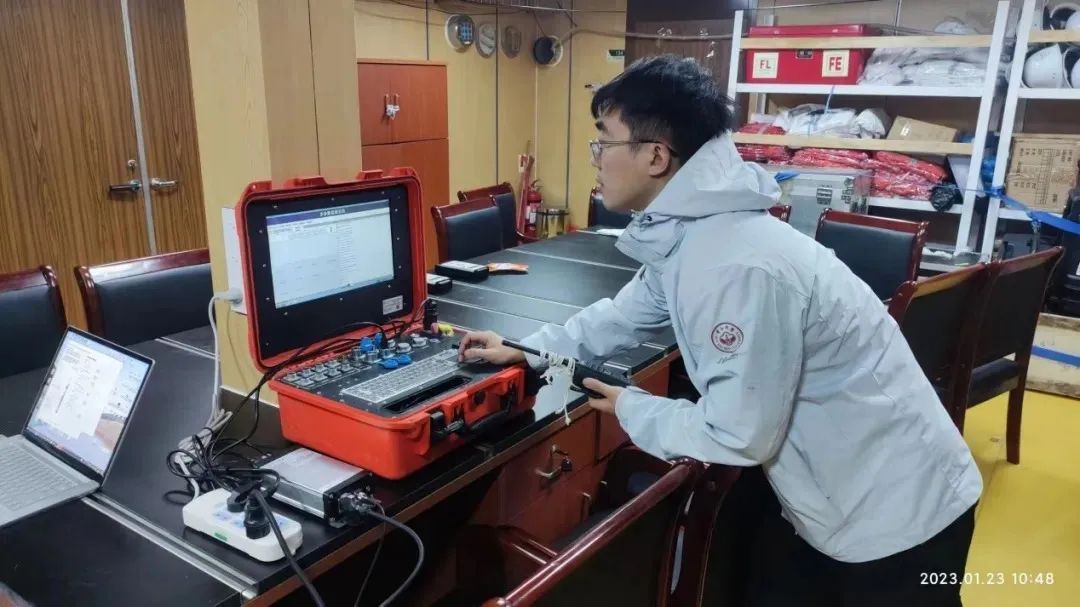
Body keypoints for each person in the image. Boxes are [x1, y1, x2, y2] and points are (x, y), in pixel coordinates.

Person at [459, 55, 981, 606]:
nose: (596, 160)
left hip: (900, 515)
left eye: (603, 142)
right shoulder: (695, 232)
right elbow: (623, 316)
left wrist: (634, 407)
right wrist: (527, 350)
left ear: (656, 155)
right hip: (833, 490)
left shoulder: (733, 262)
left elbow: (737, 434)